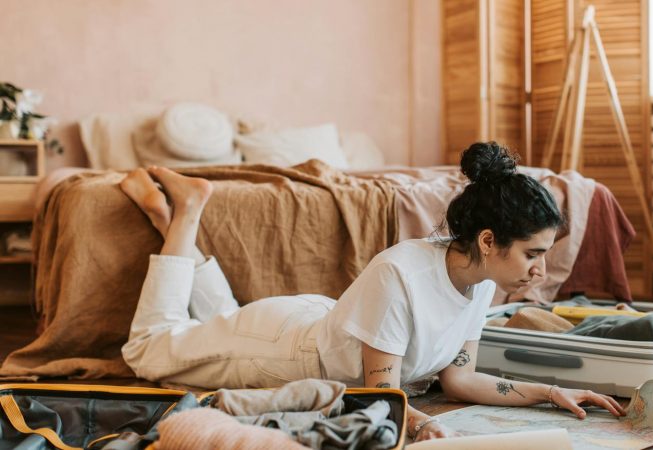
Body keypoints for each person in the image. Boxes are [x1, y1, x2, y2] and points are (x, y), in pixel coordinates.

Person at [120, 142, 625, 443]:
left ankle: (170, 220)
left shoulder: (480, 282)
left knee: (216, 321)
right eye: (533, 254)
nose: (541, 270)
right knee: (149, 350)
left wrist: (550, 394)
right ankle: (188, 211)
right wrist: (423, 426)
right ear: (488, 241)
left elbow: (460, 381)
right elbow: (378, 393)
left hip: (321, 326)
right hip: (286, 352)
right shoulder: (402, 273)